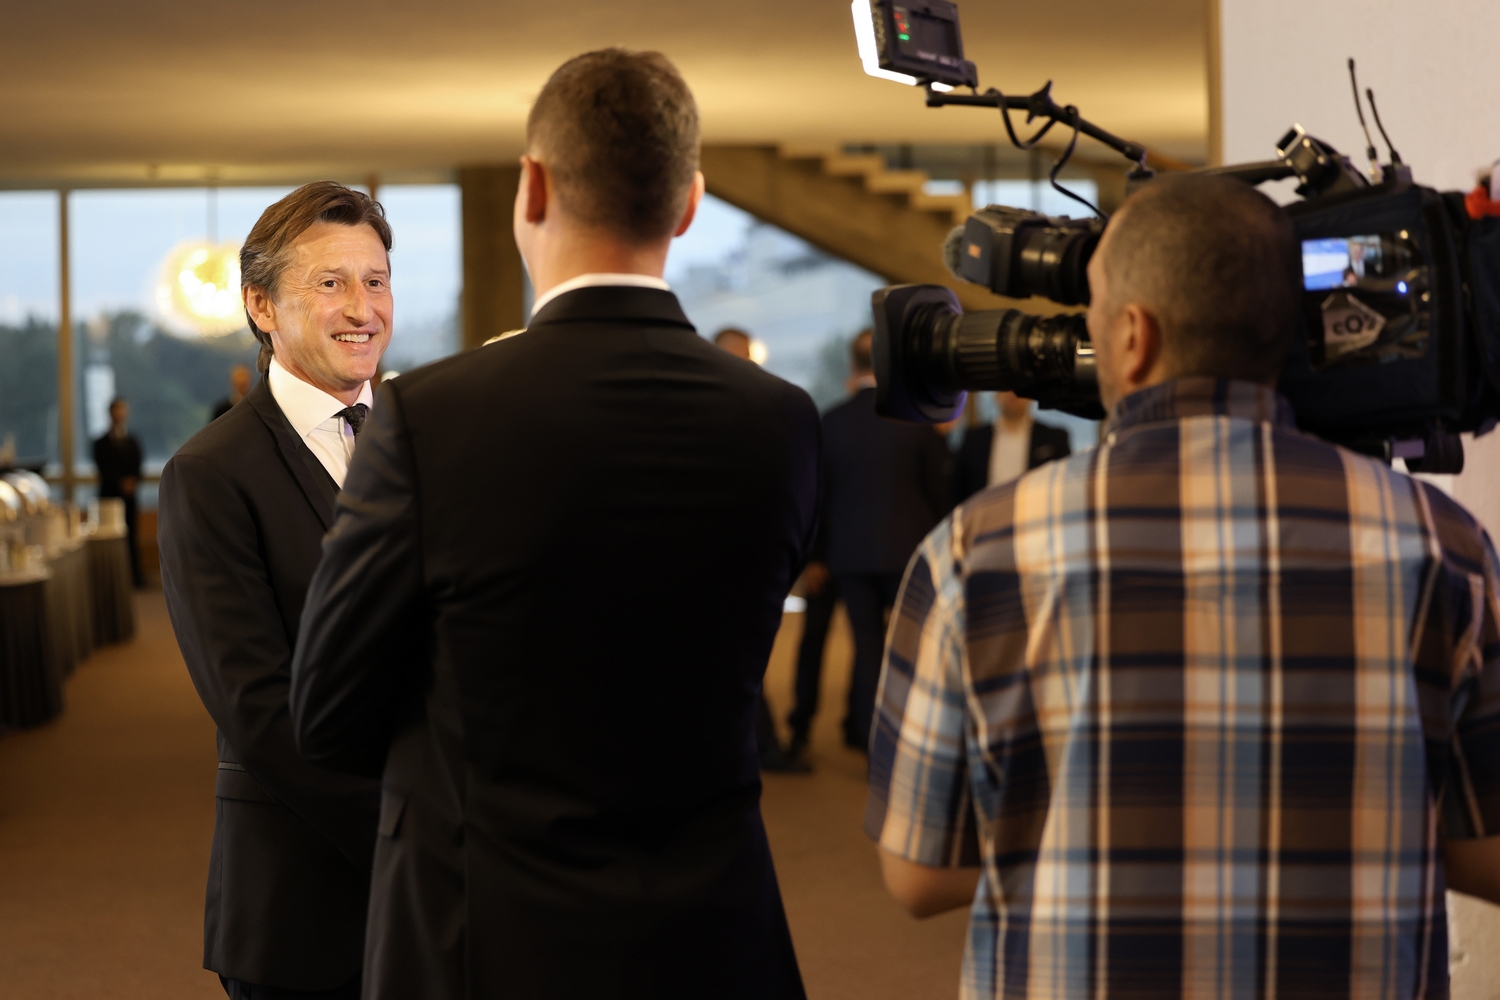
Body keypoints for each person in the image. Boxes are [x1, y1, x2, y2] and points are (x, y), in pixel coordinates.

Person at [866, 172, 1500, 998]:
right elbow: (1488, 852)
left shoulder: (974, 550)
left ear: (1133, 336)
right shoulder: (1440, 542)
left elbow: (918, 874)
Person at [289, 50, 815, 999]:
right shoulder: (779, 420)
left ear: (531, 187)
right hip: (713, 935)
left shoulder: (430, 416)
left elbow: (327, 714)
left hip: (486, 933)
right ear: (689, 203)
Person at [157, 182, 391, 1000]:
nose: (362, 307)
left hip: (447, 908)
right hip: (303, 903)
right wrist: (422, 837)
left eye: (375, 280)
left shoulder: (434, 440)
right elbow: (257, 709)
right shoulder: (210, 473)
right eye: (331, 283)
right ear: (261, 306)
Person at [819, 330, 949, 752]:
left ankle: (868, 737)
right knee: (912, 648)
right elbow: (939, 493)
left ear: (853, 365)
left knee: (867, 647)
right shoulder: (916, 419)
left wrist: (817, 555)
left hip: (849, 554)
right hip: (908, 551)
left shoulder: (831, 421)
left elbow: (818, 496)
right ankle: (911, 736)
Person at [711, 324, 811, 774]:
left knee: (743, 658)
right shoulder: (717, 414)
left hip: (747, 555)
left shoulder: (759, 413)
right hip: (717, 556)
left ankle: (757, 744)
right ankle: (759, 746)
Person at [949, 390, 1070, 506]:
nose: (1012, 393)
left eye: (1019, 387)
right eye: (1006, 387)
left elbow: (1064, 487)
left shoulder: (1053, 438)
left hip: (1036, 515)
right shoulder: (974, 439)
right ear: (996, 394)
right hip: (986, 517)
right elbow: (958, 491)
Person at [93, 397, 145, 587]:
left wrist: (133, 481)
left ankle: (134, 576)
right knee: (110, 538)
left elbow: (139, 464)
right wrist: (120, 482)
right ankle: (111, 579)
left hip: (129, 497)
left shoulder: (132, 440)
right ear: (110, 413)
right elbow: (103, 468)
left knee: (131, 535)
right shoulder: (100, 443)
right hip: (110, 496)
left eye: (122, 410)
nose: (120, 414)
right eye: (117, 410)